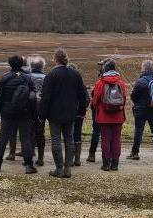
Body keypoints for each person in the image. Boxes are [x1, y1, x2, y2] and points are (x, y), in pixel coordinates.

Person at [39, 48, 88, 178]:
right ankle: (67, 170)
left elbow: (46, 97)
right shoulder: (75, 74)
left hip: (54, 113)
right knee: (69, 139)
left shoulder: (51, 75)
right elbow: (82, 95)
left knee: (56, 140)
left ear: (55, 59)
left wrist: (42, 115)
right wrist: (82, 111)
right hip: (71, 112)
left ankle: (59, 169)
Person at [0, 55, 37, 174]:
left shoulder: (4, 78)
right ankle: (28, 165)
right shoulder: (28, 78)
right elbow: (33, 98)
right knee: (25, 139)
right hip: (25, 112)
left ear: (10, 64)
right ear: (22, 64)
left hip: (7, 112)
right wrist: (34, 115)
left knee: (3, 138)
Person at [92, 59, 127, 171]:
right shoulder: (121, 82)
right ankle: (115, 164)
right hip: (118, 115)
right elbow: (124, 99)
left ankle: (106, 164)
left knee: (106, 139)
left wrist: (96, 108)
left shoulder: (100, 83)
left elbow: (95, 100)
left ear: (105, 69)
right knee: (116, 139)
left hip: (103, 116)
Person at [128, 60, 153, 160]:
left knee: (138, 131)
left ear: (144, 69)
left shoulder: (140, 81)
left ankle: (135, 153)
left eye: (142, 67)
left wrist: (138, 103)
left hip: (141, 110)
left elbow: (134, 96)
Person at [68, 63, 89, 166]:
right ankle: (77, 159)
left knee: (69, 134)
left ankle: (70, 160)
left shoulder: (65, 85)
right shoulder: (82, 85)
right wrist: (82, 111)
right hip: (79, 114)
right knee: (77, 134)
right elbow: (87, 99)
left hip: (69, 113)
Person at [86, 59, 107, 163]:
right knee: (109, 134)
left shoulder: (100, 82)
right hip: (113, 112)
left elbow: (95, 98)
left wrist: (93, 107)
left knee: (96, 132)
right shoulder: (118, 81)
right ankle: (108, 157)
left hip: (99, 111)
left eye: (102, 65)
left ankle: (92, 154)